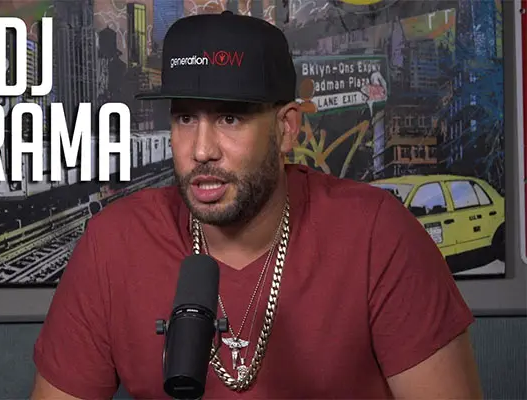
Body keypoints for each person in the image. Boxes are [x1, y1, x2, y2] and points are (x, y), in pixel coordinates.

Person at [30, 11, 483, 399]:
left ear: (286, 129)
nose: (201, 149)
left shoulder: (378, 235)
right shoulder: (113, 244)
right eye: (185, 117)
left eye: (230, 118)